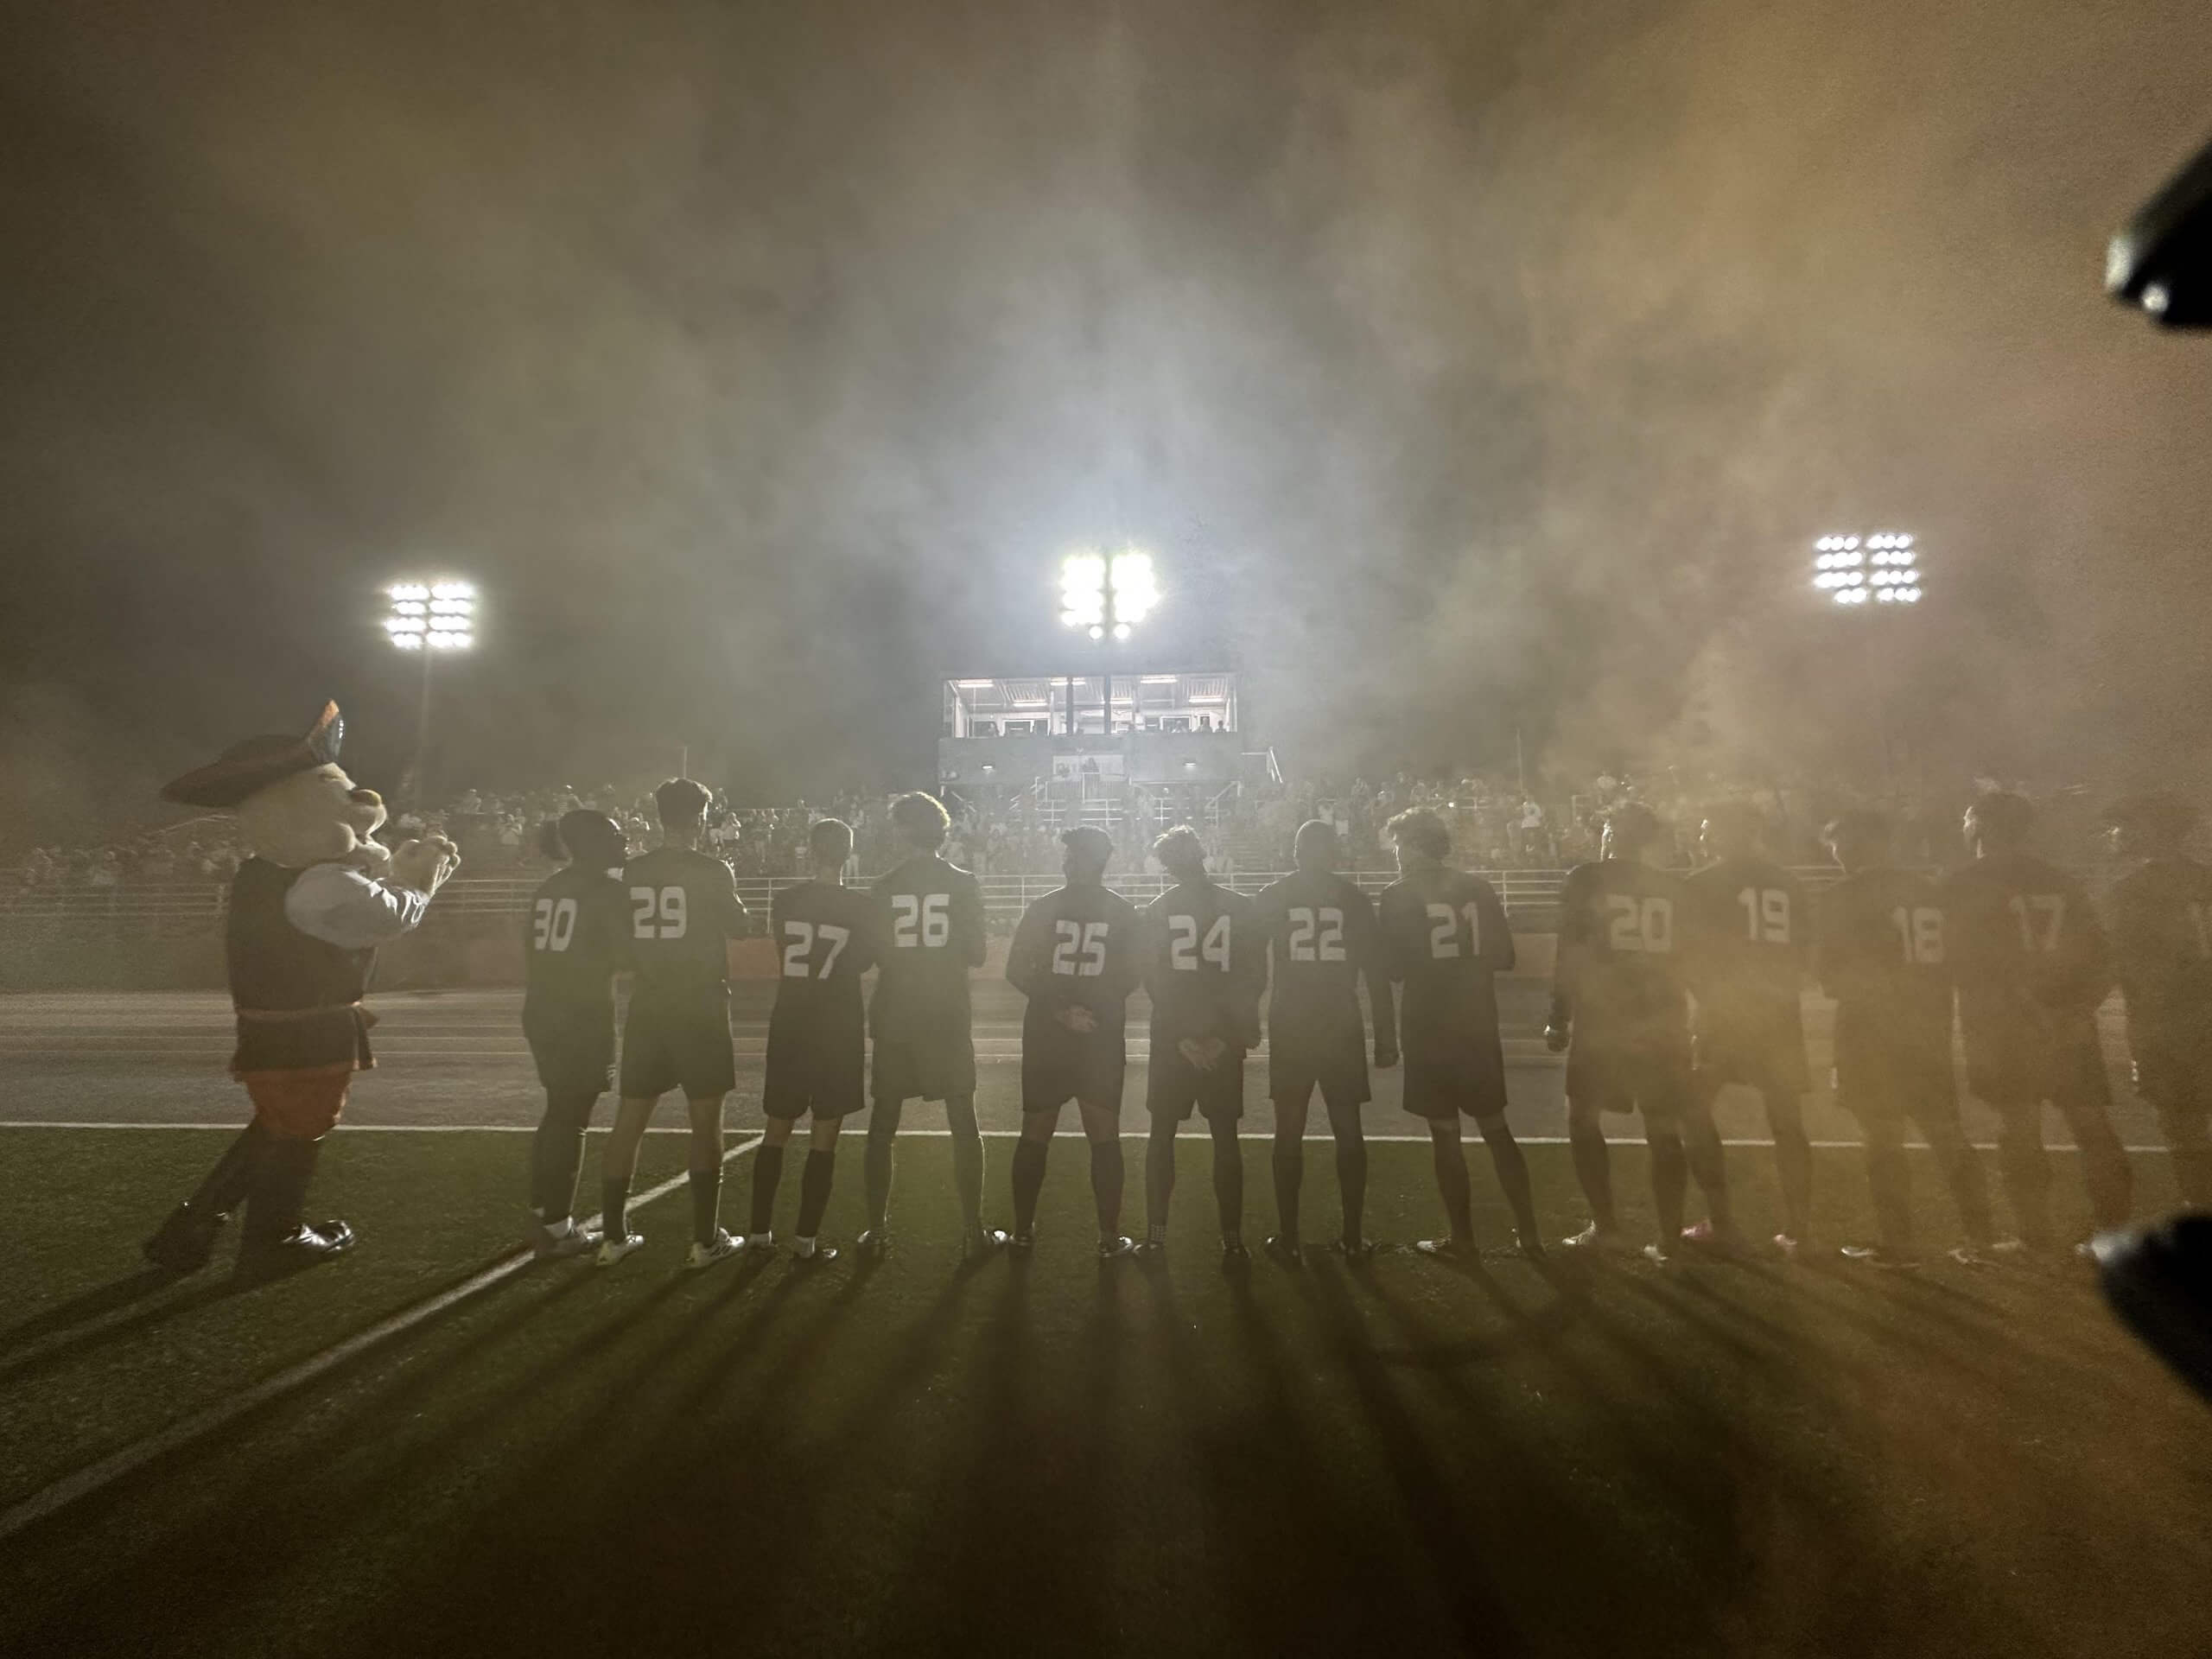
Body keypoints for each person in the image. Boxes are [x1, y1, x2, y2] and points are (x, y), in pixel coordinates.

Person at [142, 703, 459, 1274]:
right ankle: (272, 1238)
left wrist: (391, 874)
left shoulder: (270, 870)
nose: (362, 801)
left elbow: (346, 902)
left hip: (278, 1028)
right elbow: (387, 915)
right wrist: (421, 879)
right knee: (300, 1128)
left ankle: (192, 1227)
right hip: (306, 1033)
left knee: (277, 1124)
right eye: (334, 790)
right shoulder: (320, 882)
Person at [1945, 790, 2131, 1256]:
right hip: (2067, 1023)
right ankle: (2113, 1234)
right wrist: (2075, 1012)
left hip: (2001, 1027)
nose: (1963, 825)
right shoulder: (2061, 881)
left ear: (1981, 825)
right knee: (2090, 1124)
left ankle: (2035, 1236)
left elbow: (1959, 959)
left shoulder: (1963, 883)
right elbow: (2105, 958)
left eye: (1967, 817)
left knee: (2018, 1126)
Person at [1815, 810, 1994, 1266]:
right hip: (1927, 1030)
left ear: (1858, 842)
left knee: (1881, 1136)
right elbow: (1959, 961)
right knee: (1947, 1135)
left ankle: (1899, 1242)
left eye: (1839, 842)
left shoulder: (1846, 894)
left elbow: (1833, 978)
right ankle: (1982, 1239)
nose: (1835, 852)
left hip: (1872, 1035)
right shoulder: (1929, 892)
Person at [1548, 803, 1711, 1264]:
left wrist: (1557, 1015)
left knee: (1582, 1117)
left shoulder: (1587, 878)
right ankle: (1668, 1239)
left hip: (1604, 1017)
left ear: (1611, 835)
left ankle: (1607, 1226)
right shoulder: (1673, 887)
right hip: (1662, 1015)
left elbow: (1570, 950)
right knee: (1662, 1128)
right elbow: (1691, 957)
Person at [597, 778, 749, 1270]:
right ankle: (705, 1241)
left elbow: (619, 938)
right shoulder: (711, 869)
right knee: (706, 1122)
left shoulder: (632, 872)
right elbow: (740, 926)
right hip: (701, 1004)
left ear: (661, 815)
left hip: (649, 1001)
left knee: (630, 1119)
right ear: (701, 818)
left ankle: (614, 1236)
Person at [1377, 807, 1542, 1260]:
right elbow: (1505, 956)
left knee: (1445, 1133)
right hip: (1476, 1022)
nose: (1395, 854)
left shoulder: (1398, 895)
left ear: (1413, 845)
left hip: (1429, 1025)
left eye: (1398, 845)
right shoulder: (1478, 888)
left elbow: (1391, 969)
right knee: (1496, 1129)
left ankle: (1463, 1239)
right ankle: (1530, 1235)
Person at [1252, 820, 1398, 1259]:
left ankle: (1290, 1238)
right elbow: (1375, 972)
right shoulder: (1352, 898)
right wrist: (1386, 1036)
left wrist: (1244, 1017)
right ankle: (1353, 1237)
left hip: (1292, 1021)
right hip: (1340, 1022)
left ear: (1296, 853)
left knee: (1289, 1130)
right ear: (1333, 854)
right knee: (1348, 1129)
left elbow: (1246, 956)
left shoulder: (1276, 893)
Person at [866, 792, 1003, 1257]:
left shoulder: (885, 886)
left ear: (904, 831)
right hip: (945, 1012)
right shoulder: (962, 883)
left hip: (896, 1011)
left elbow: (876, 953)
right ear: (941, 832)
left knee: (883, 1123)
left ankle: (878, 1231)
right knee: (964, 1122)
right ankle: (972, 1230)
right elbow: (978, 953)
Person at [1678, 804, 1815, 1256]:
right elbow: (1805, 950)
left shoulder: (1700, 885)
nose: (1700, 837)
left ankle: (1721, 1222)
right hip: (1778, 1013)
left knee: (1694, 1110)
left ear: (1723, 832)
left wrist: (1709, 998)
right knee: (1787, 1121)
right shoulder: (1787, 883)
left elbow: (1689, 954)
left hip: (1724, 1013)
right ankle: (1799, 1228)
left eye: (1705, 827)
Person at [1006, 825, 1141, 1255]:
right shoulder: (1122, 911)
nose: (1065, 861)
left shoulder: (1045, 907)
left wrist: (1060, 1009)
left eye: (1071, 855)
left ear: (1086, 860)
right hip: (1098, 1037)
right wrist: (1089, 1012)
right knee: (1103, 1135)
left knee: (1036, 1131)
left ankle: (1024, 1231)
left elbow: (1017, 970)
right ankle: (1107, 1237)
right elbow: (1130, 976)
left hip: (1048, 1033)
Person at [747, 818, 879, 1262]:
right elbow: (861, 962)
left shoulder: (786, 900)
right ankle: (805, 1240)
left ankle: (758, 1232)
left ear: (810, 850)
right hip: (836, 1025)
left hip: (791, 1019)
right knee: (825, 1137)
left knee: (776, 1130)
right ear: (848, 853)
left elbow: (786, 950)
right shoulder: (861, 907)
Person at [1137, 826, 1266, 1261]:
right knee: (1225, 1138)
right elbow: (1253, 977)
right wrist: (1226, 1039)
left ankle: (1156, 1237)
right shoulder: (1240, 907)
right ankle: (1232, 1239)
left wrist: (1182, 1038)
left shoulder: (1158, 909)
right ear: (1203, 856)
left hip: (1174, 1039)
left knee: (1162, 1135)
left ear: (1169, 864)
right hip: (1222, 1039)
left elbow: (1155, 979)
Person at [520, 810, 633, 1260]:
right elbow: (627, 953)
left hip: (544, 1008)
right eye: (614, 833)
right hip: (581, 1014)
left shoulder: (550, 888)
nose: (624, 839)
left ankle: (543, 1211)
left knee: (558, 1112)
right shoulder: (607, 891)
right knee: (572, 1118)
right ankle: (557, 1225)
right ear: (591, 843)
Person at [2104, 791, 2212, 1209]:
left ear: (2149, 832)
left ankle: (2199, 1209)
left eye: (2124, 824)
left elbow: (2123, 965)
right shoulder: (2206, 879)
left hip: (2168, 1023)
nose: (2115, 833)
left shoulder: (2130, 891)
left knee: (2182, 1123)